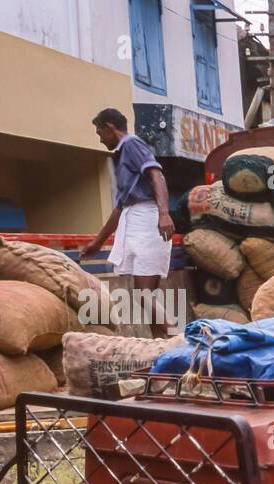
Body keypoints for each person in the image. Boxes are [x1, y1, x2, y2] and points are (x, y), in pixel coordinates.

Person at [81, 108, 174, 338]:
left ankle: (176, 336)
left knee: (143, 293)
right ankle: (161, 347)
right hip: (135, 220)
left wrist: (164, 213)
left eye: (100, 132)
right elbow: (118, 209)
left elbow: (157, 176)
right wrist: (97, 243)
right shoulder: (121, 157)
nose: (100, 138)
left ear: (110, 127)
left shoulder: (132, 144)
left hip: (147, 220)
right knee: (145, 292)